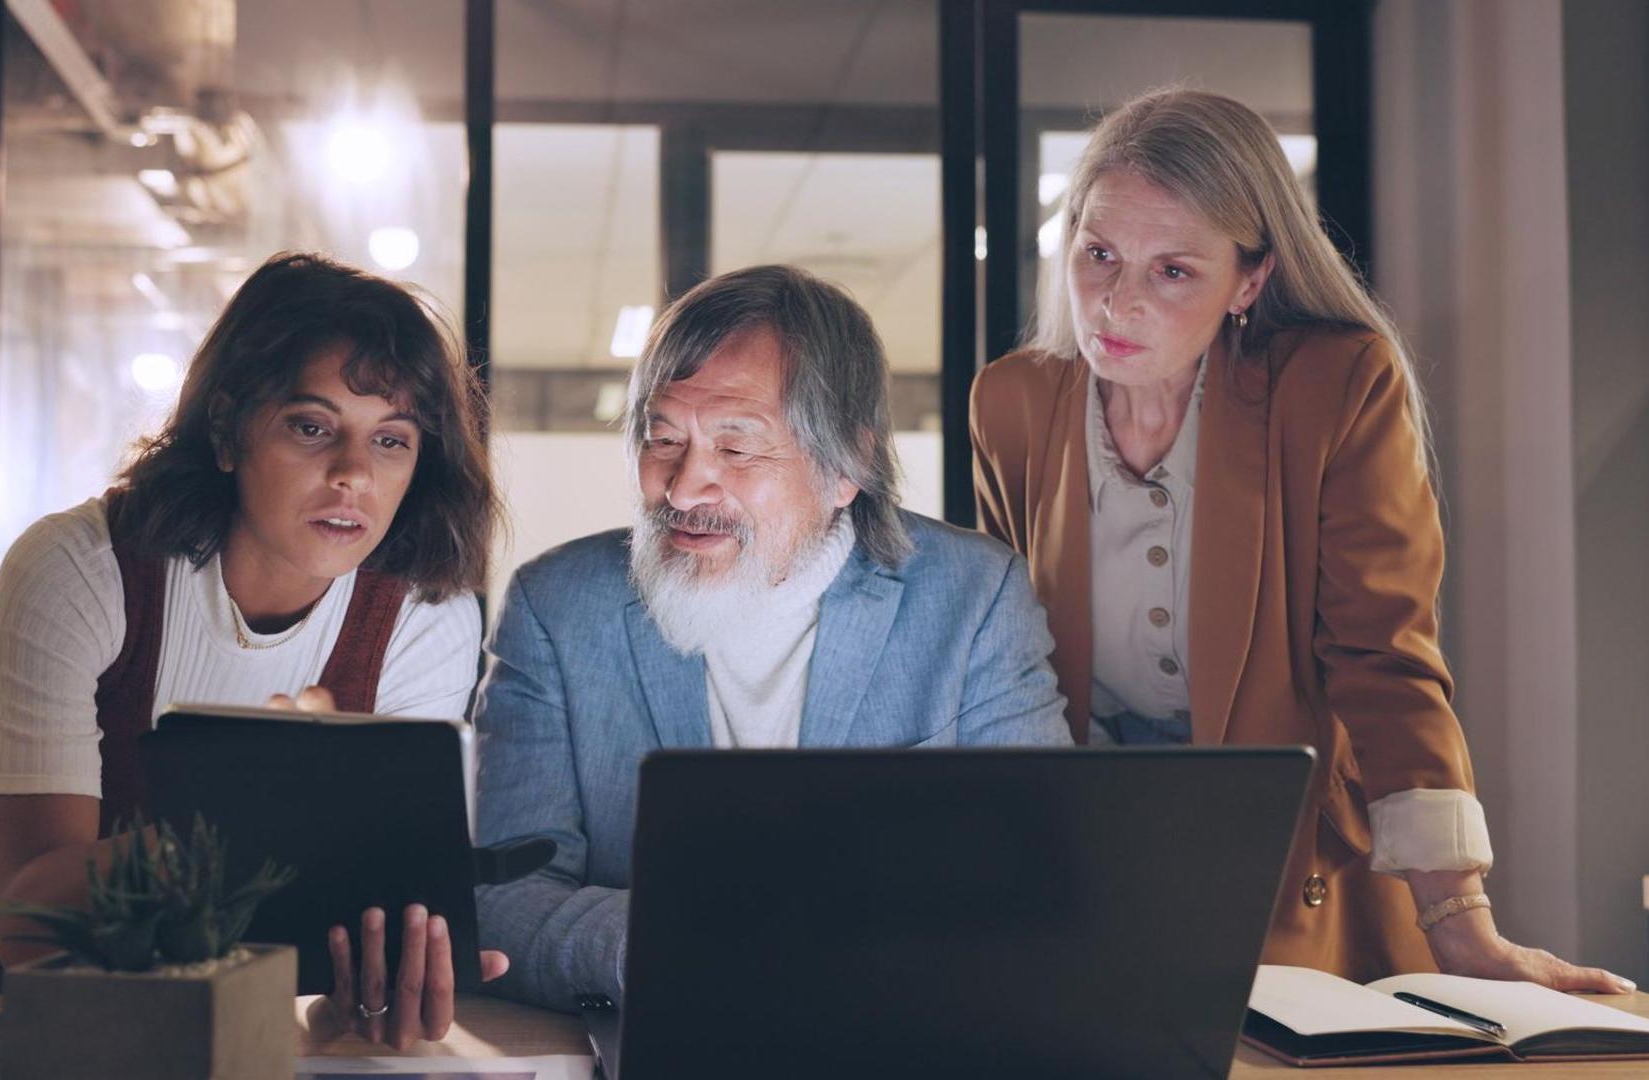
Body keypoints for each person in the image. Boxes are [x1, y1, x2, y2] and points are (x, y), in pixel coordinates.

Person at [969, 88, 1632, 991]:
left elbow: (1383, 652)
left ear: (1250, 281)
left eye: (1172, 271)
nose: (1115, 303)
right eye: (1098, 255)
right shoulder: (1010, 400)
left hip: (1287, 855)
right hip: (1090, 850)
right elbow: (1009, 665)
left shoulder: (1334, 384)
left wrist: (1459, 919)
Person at [0, 251, 510, 1046]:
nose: (353, 474)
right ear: (227, 431)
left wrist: (375, 975)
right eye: (311, 427)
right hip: (11, 925)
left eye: (392, 441)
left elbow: (374, 892)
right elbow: (27, 914)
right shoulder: (80, 569)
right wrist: (258, 816)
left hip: (234, 951)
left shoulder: (427, 612)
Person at [474, 264, 1071, 1011]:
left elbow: (1036, 877)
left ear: (847, 463)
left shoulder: (974, 600)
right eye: (663, 439)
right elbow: (501, 891)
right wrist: (676, 945)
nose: (686, 488)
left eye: (736, 448)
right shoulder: (557, 607)